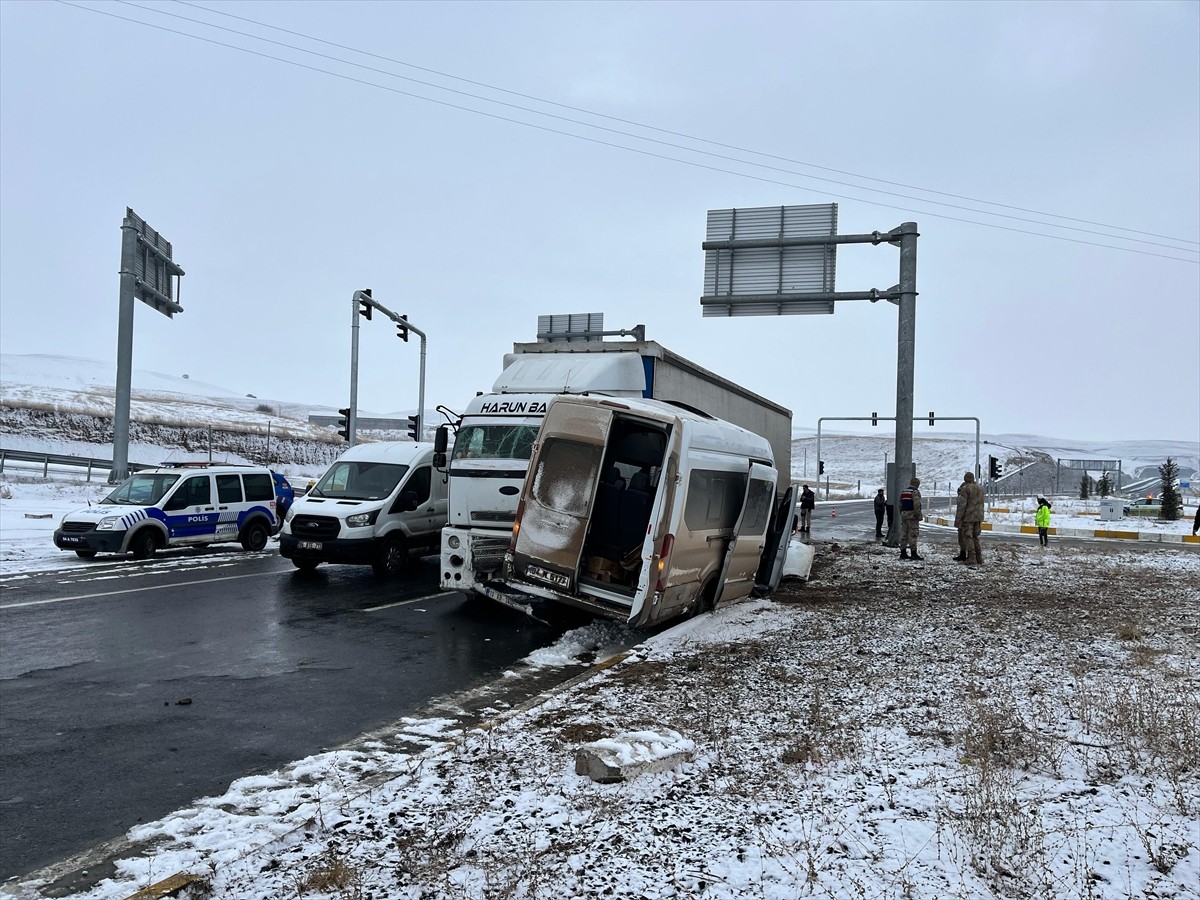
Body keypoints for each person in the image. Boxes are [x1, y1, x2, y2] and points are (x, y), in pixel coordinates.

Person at [953, 472, 985, 564]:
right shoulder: (979, 487)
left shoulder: (965, 488)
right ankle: (979, 557)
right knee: (975, 537)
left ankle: (971, 557)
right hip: (978, 517)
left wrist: (959, 518)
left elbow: (962, 505)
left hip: (968, 517)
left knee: (968, 537)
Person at [899, 476, 923, 560]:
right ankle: (913, 553)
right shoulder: (915, 492)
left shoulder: (904, 491)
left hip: (904, 515)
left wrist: (902, 513)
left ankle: (903, 552)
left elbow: (900, 504)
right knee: (913, 534)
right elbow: (916, 505)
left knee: (904, 534)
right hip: (912, 516)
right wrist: (917, 515)